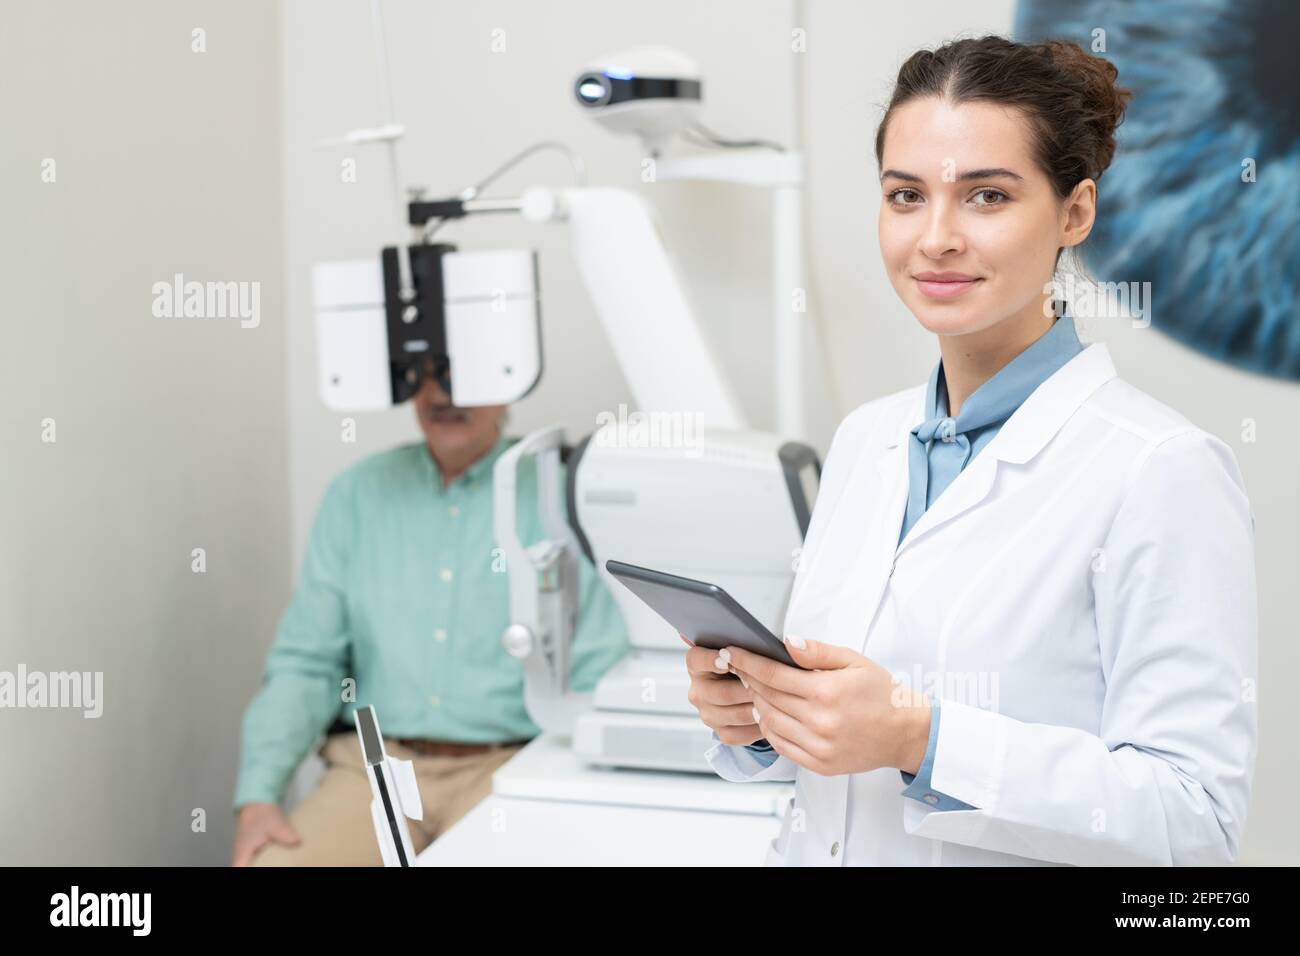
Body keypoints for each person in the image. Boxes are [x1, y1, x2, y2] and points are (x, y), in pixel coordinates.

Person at [684, 35, 1258, 866]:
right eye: (905, 195)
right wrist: (766, 719)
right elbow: (844, 760)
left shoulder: (1161, 468)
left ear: (1075, 212)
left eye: (986, 196)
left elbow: (1194, 823)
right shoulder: (865, 440)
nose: (936, 238)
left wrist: (925, 738)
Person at [232, 375, 629, 865]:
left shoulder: (556, 496)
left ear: (507, 378)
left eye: (464, 376)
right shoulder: (357, 495)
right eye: (427, 372)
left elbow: (599, 669)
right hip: (375, 769)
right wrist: (258, 796)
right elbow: (306, 663)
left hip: (510, 767)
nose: (444, 394)